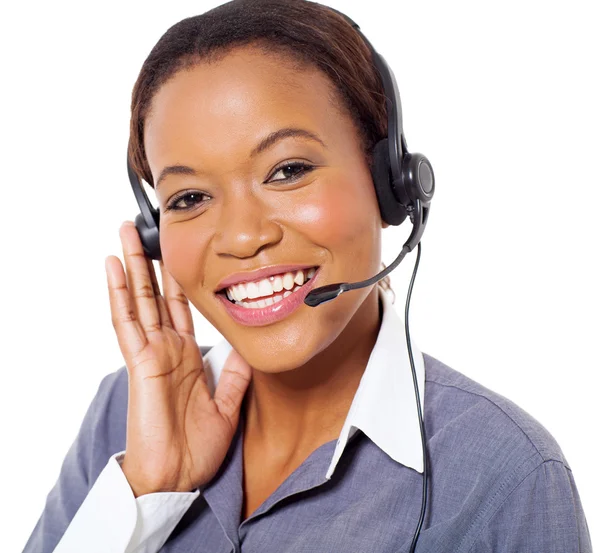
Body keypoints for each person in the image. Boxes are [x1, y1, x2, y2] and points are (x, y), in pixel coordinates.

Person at [22, 0, 593, 552]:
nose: (244, 237)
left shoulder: (505, 474)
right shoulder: (123, 412)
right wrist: (144, 495)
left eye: (288, 170)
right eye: (190, 197)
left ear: (390, 182)